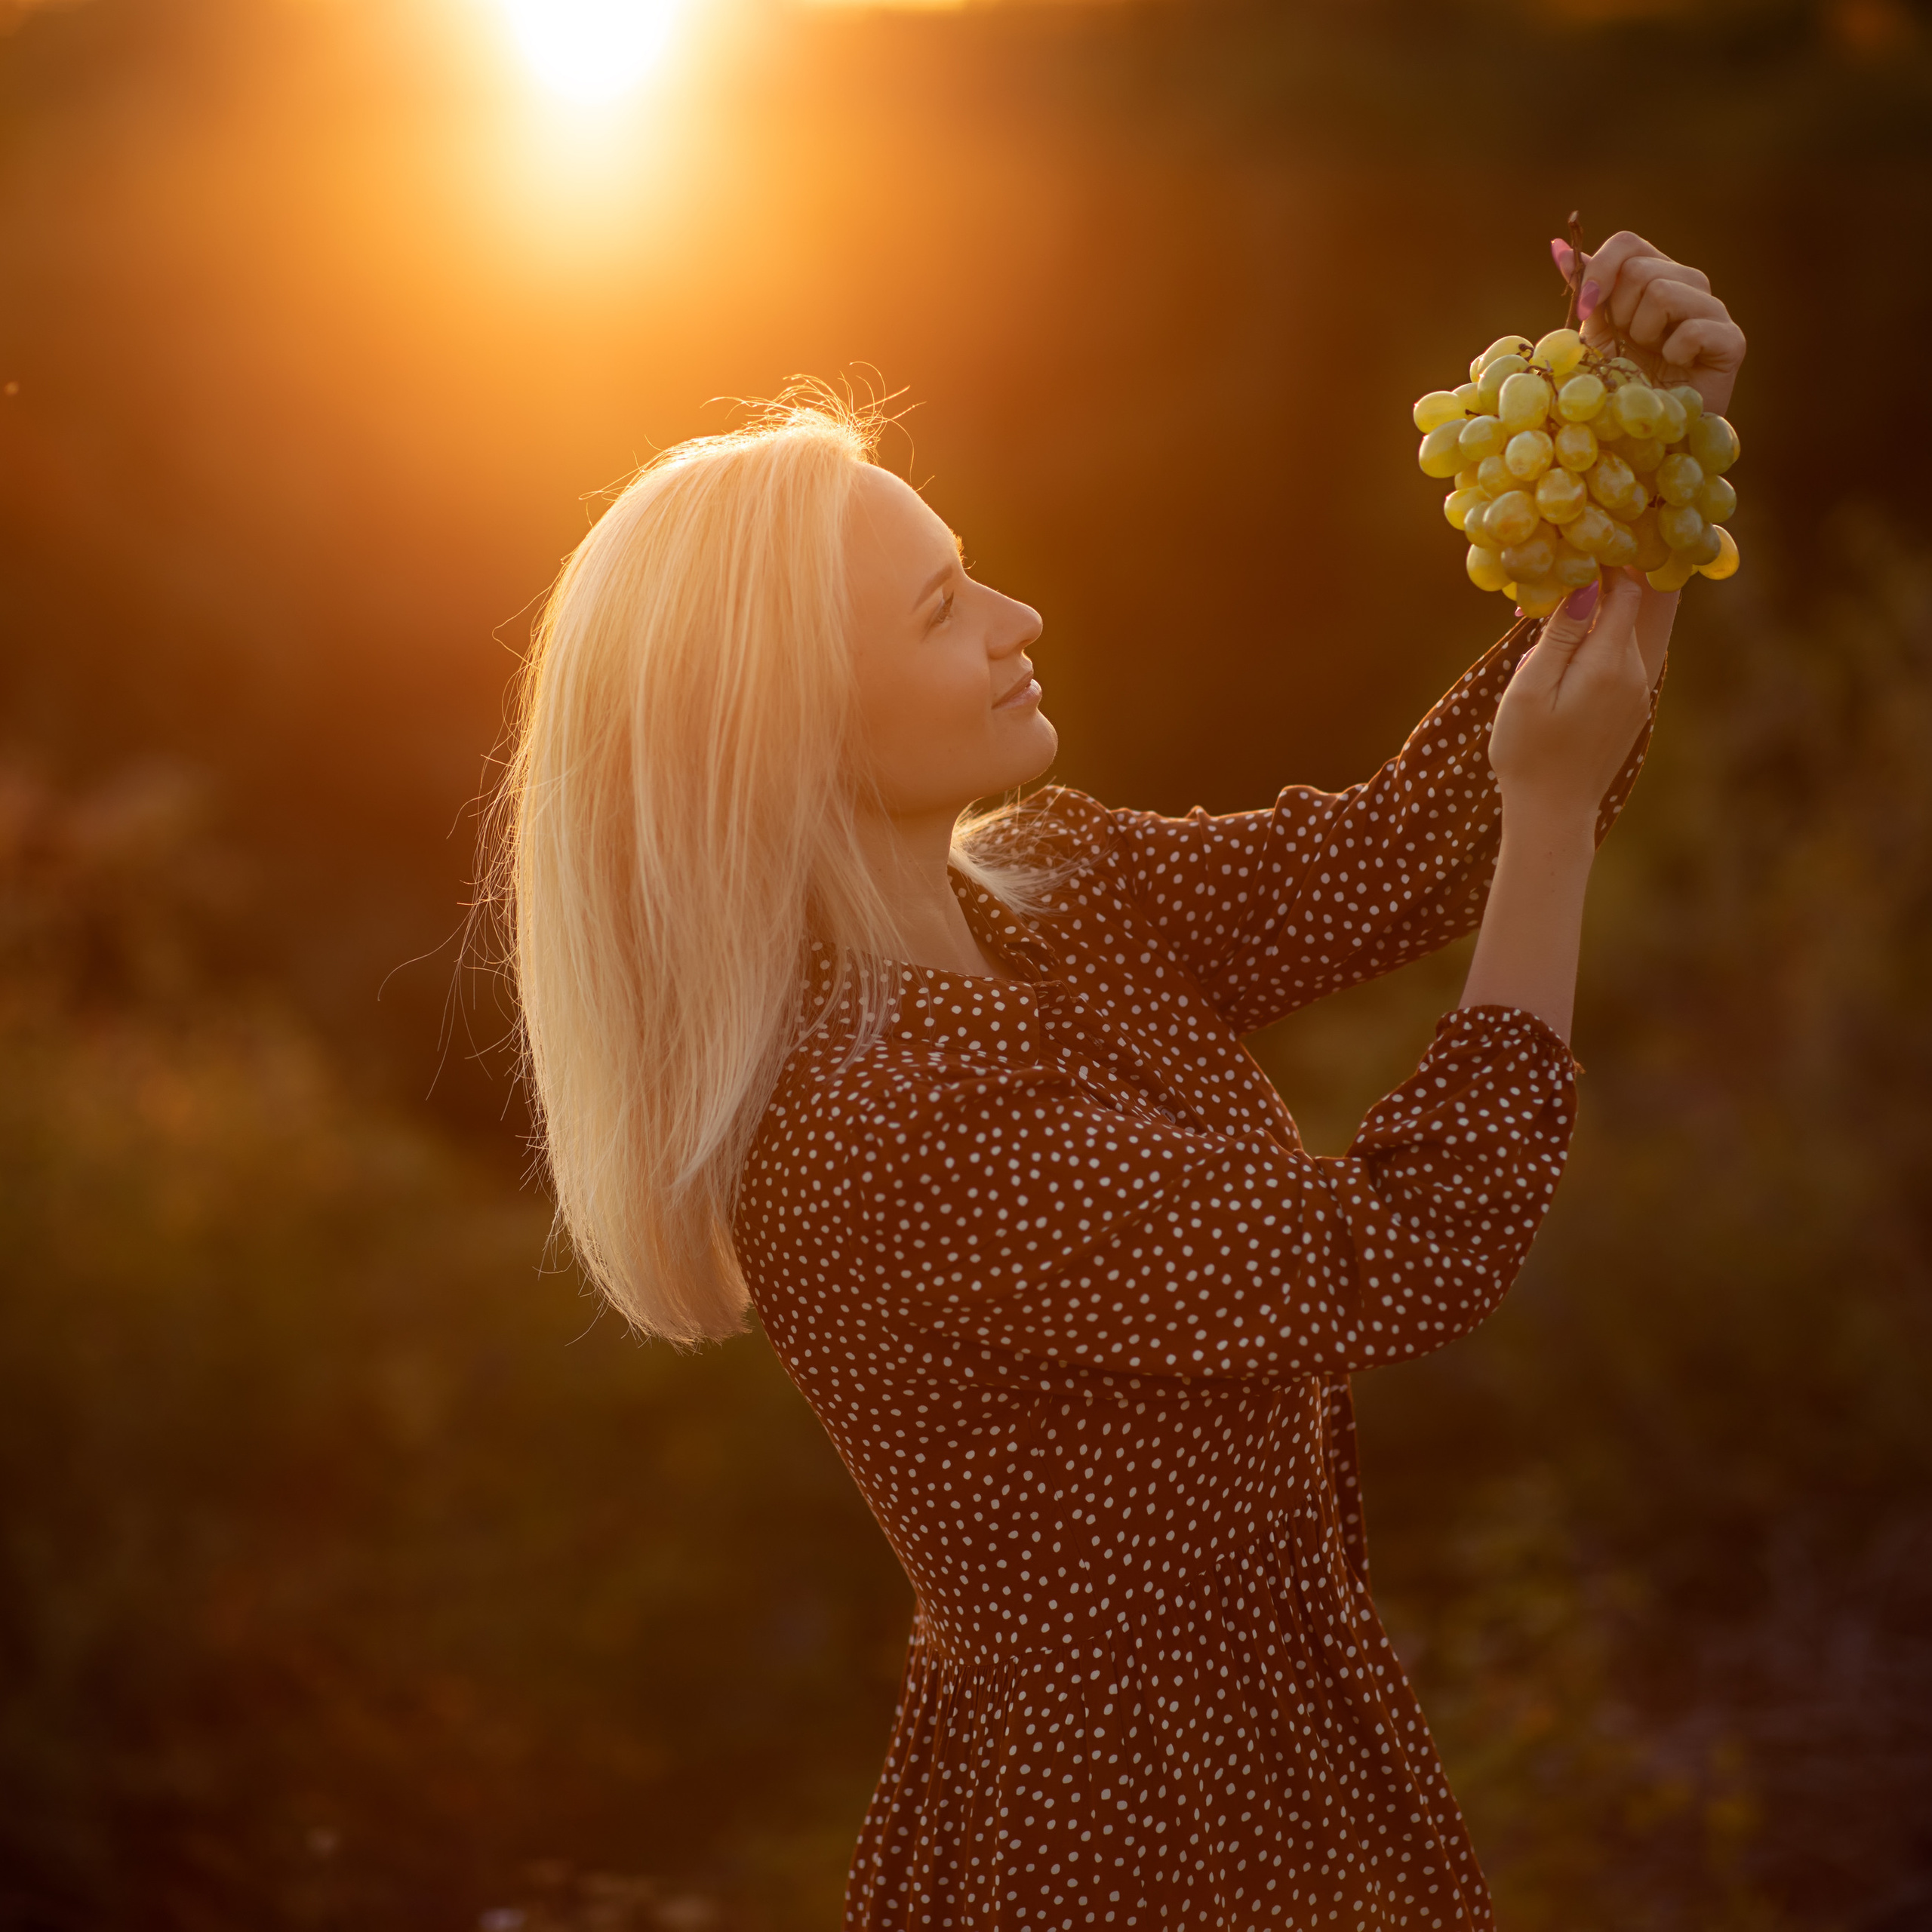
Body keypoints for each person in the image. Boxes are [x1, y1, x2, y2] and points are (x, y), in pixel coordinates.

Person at [493, 232, 1745, 1929]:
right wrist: (1540, 812)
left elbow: (1395, 856)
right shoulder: (880, 1128)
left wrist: (1647, 471)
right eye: (942, 609)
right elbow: (1396, 1248)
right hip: (1130, 1834)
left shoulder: (1045, 891)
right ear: (787, 718)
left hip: (1278, 1755)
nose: (1017, 619)